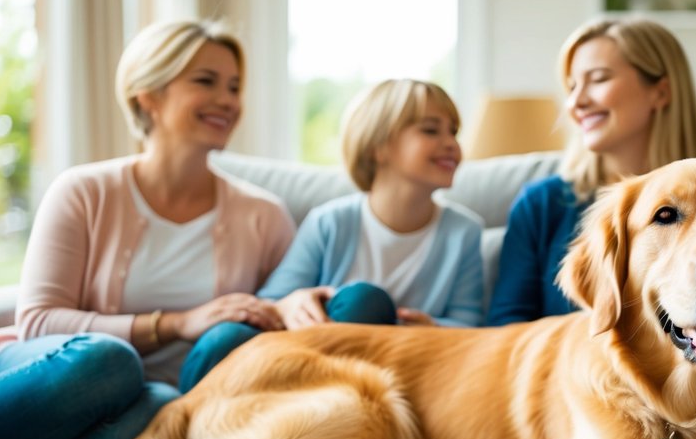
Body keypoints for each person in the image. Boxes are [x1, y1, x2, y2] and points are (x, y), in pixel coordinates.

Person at [0, 19, 295, 439]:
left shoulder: (264, 215)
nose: (229, 101)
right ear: (146, 96)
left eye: (234, 86)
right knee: (110, 361)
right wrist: (176, 323)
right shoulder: (83, 190)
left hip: (161, 407)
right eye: (205, 81)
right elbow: (38, 320)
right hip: (62, 377)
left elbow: (282, 326)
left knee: (164, 408)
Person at [179, 78, 483, 391]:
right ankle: (183, 417)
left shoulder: (464, 232)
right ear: (379, 147)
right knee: (226, 337)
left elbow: (470, 326)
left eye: (454, 131)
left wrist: (431, 328)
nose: (451, 143)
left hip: (399, 366)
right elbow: (271, 302)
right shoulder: (330, 221)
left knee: (365, 302)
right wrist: (295, 302)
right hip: (309, 353)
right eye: (431, 130)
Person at [485, 17, 696, 325]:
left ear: (660, 93)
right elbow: (505, 334)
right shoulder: (540, 206)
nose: (576, 102)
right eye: (572, 86)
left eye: (599, 79)